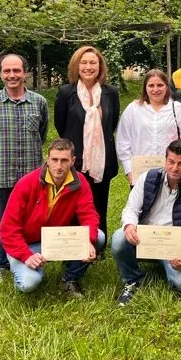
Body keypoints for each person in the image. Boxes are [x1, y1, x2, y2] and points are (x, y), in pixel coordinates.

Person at [0, 53, 49, 283]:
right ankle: (0, 265)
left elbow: (42, 135)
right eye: (7, 71)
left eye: (16, 70)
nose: (12, 75)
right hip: (0, 176)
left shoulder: (39, 102)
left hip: (31, 178)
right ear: (1, 74)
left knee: (33, 221)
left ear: (25, 73)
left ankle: (30, 257)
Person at [0, 138, 103, 298]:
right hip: (26, 243)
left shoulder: (80, 182)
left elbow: (89, 214)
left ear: (73, 161)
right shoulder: (26, 183)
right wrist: (26, 255)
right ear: (47, 159)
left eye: (64, 160)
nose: (59, 166)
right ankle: (19, 266)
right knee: (29, 283)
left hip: (55, 239)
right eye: (54, 160)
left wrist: (88, 240)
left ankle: (69, 279)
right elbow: (7, 228)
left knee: (99, 237)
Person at [111, 140, 181, 305]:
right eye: (171, 162)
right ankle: (132, 280)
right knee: (119, 239)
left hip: (173, 245)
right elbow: (131, 209)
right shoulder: (147, 178)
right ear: (165, 160)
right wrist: (129, 226)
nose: (174, 168)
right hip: (145, 239)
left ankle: (171, 268)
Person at [55, 46, 120, 254]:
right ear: (76, 65)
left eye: (93, 62)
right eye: (84, 62)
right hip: (76, 162)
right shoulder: (66, 93)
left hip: (103, 161)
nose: (88, 67)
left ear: (100, 66)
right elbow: (61, 126)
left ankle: (98, 247)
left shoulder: (111, 93)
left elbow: (112, 124)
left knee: (99, 204)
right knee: (74, 205)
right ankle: (74, 247)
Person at [116, 69, 181, 186]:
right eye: (151, 85)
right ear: (145, 87)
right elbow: (123, 141)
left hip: (172, 172)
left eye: (160, 85)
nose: (156, 89)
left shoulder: (178, 109)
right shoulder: (133, 109)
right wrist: (129, 170)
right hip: (141, 174)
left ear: (166, 87)